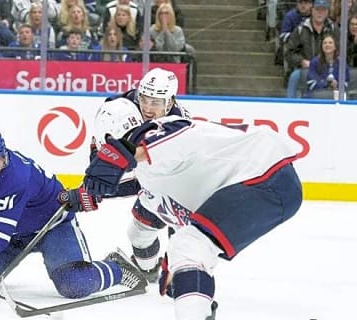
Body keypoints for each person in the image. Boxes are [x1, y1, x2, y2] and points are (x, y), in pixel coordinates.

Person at [77, 98, 302, 319]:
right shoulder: (150, 182)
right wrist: (180, 270)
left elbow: (167, 141)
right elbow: (187, 225)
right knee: (186, 248)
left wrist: (130, 152)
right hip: (265, 184)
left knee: (187, 246)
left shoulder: (165, 128)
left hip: (264, 170)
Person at [0, 128, 146, 299]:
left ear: (5, 156)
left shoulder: (16, 176)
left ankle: (118, 267)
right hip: (12, 235)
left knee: (75, 284)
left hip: (51, 228)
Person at [92, 67, 190, 283]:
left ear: (170, 103)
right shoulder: (125, 103)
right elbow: (102, 136)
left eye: (155, 102)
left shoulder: (179, 126)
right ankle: (147, 271)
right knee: (138, 234)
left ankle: (184, 274)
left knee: (182, 236)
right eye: (144, 99)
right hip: (148, 172)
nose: (147, 107)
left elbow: (155, 176)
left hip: (176, 183)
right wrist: (98, 168)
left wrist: (102, 187)